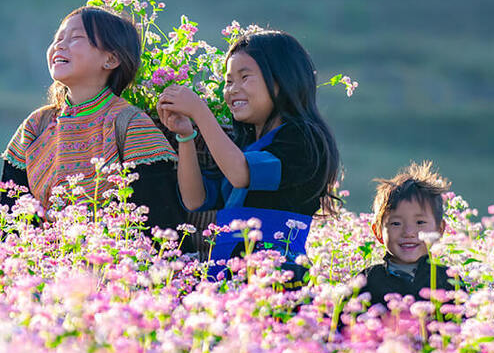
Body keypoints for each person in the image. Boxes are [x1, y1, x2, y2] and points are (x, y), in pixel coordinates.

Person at [156, 30, 341, 283]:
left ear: (281, 80)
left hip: (276, 273)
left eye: (244, 77)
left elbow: (241, 174)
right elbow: (195, 199)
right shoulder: (243, 147)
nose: (232, 90)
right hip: (227, 269)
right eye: (229, 81)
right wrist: (186, 136)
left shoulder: (303, 138)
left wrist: (200, 111)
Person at [0, 6, 185, 233]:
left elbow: (158, 224)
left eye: (76, 38)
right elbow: (8, 220)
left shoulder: (132, 125)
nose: (59, 45)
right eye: (58, 38)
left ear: (111, 59)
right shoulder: (36, 125)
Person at [356, 161, 455, 307]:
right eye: (396, 223)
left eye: (420, 222)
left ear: (439, 230)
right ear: (378, 232)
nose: (408, 233)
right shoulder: (367, 281)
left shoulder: (449, 281)